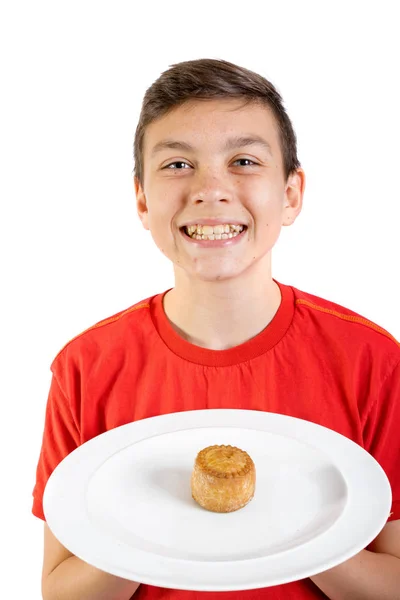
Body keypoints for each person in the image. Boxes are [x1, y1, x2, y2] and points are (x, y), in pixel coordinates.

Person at [32, 58, 400, 600]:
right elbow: (62, 591)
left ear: (292, 194)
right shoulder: (86, 366)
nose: (211, 189)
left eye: (244, 160)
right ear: (141, 198)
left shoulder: (372, 359)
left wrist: (297, 528)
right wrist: (149, 519)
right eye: (178, 165)